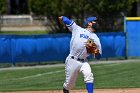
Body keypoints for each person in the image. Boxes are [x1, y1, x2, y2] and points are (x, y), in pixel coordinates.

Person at [58, 16, 102, 93]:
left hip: (84, 61)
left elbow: (98, 57)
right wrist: (62, 18)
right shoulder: (77, 29)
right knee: (69, 85)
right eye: (95, 21)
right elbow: (69, 22)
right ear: (89, 23)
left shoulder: (95, 38)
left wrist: (96, 52)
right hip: (72, 60)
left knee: (89, 76)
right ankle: (65, 89)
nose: (97, 23)